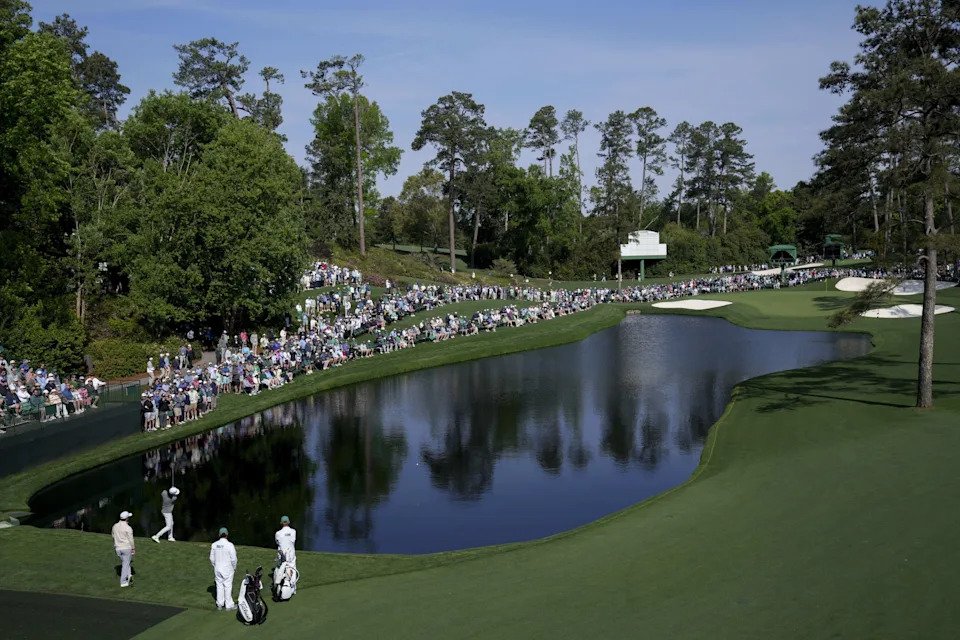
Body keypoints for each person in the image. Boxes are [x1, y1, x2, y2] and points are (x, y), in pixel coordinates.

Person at [210, 526, 237, 611]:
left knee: (219, 585)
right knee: (228, 586)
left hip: (217, 569)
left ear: (219, 535)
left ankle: (220, 604)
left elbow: (211, 558)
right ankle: (229, 605)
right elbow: (233, 559)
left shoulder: (214, 545)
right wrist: (234, 567)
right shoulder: (230, 545)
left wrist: (215, 565)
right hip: (228, 569)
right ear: (227, 535)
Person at [112, 511, 136, 587]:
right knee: (125, 564)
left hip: (118, 548)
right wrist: (133, 548)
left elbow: (113, 536)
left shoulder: (115, 526)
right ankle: (123, 582)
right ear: (127, 518)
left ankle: (129, 575)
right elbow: (131, 539)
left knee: (125, 562)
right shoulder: (128, 528)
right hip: (126, 548)